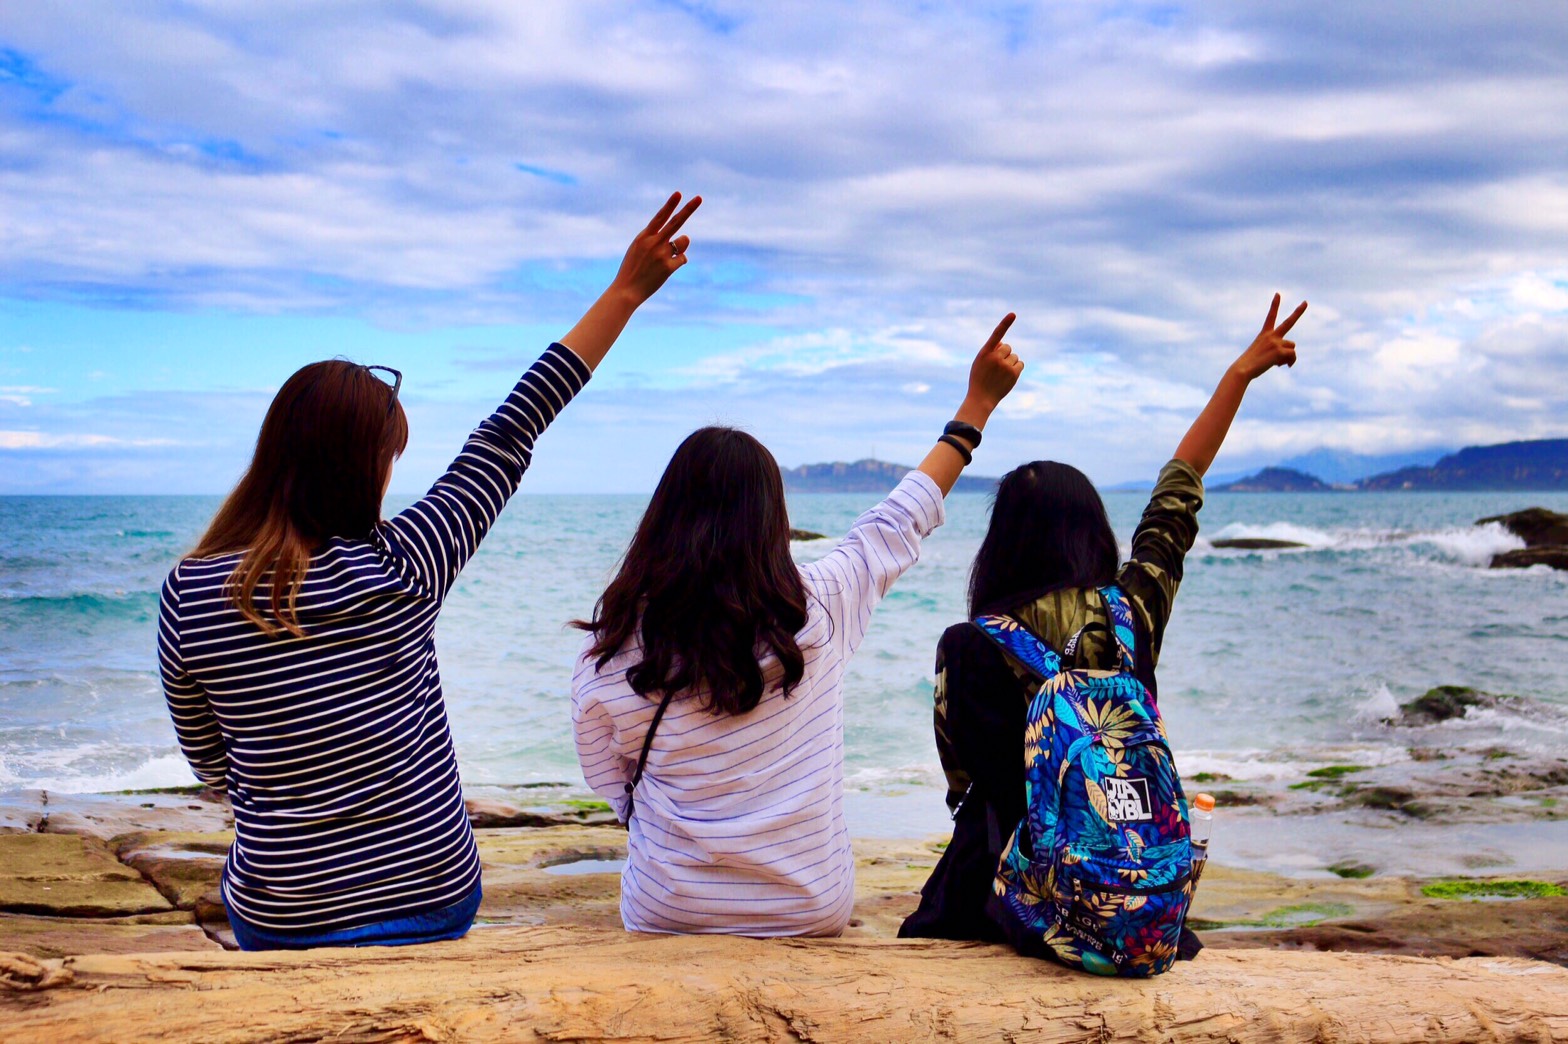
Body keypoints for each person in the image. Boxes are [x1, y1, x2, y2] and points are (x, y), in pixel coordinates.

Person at [157, 192, 702, 950]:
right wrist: (623, 294)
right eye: (388, 461)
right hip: (427, 896)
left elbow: (212, 769)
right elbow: (513, 428)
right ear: (361, 471)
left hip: (282, 912)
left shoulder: (188, 594)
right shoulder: (408, 565)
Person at [571, 316, 1025, 937]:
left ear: (663, 518)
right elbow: (900, 518)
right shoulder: (822, 603)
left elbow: (612, 786)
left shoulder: (614, 652)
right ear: (773, 520)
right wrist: (976, 407)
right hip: (807, 906)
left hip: (671, 909)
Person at [899, 294, 1307, 942]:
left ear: (999, 546)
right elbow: (1179, 491)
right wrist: (1237, 378)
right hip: (1129, 896)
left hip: (1002, 907)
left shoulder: (971, 646)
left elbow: (966, 785)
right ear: (1095, 533)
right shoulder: (1133, 614)